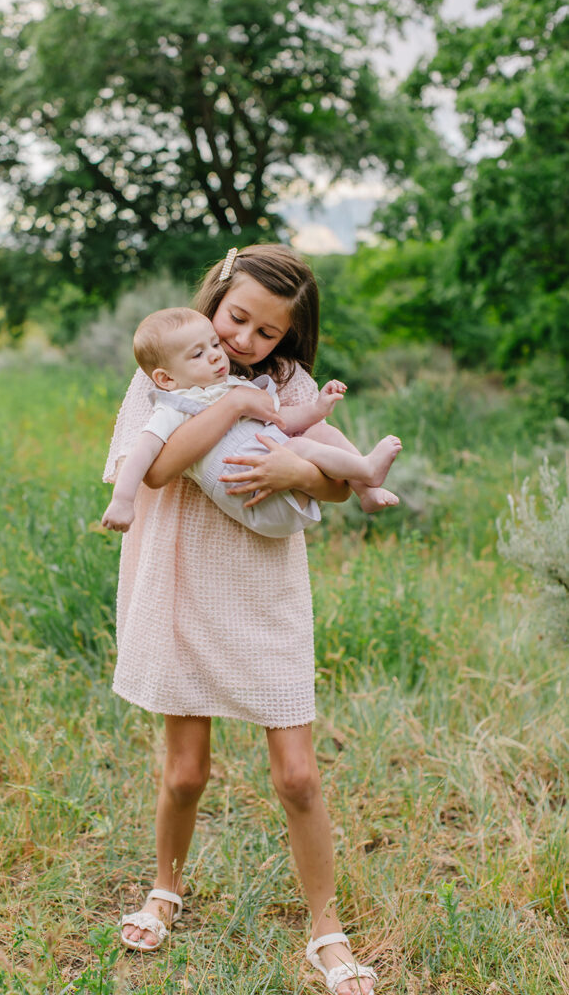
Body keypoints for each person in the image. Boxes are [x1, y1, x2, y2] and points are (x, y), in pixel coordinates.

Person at [102, 244, 383, 995]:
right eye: (236, 320)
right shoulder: (162, 368)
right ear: (215, 297)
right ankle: (166, 888)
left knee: (296, 776)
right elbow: (154, 467)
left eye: (266, 334)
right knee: (185, 771)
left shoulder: (286, 384)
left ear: (286, 338)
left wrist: (296, 469)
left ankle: (324, 926)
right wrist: (229, 402)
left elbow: (329, 479)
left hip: (264, 596)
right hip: (183, 589)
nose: (244, 343)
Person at [101, 306, 401, 538]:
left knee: (320, 432)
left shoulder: (233, 384)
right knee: (298, 445)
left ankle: (366, 489)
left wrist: (317, 409)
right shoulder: (176, 405)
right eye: (198, 354)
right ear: (166, 378)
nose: (216, 357)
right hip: (253, 498)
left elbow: (278, 418)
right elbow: (142, 453)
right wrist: (123, 500)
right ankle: (367, 469)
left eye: (215, 345)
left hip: (283, 487)